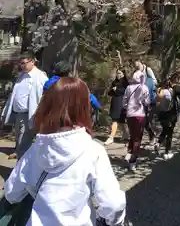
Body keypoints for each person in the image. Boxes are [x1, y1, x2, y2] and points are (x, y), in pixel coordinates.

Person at [4, 77, 126, 225]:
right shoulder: (94, 151)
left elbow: (12, 193)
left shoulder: (37, 148)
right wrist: (112, 221)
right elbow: (113, 204)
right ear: (85, 108)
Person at [1, 52, 48, 160]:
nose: (21, 66)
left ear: (32, 61)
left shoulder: (40, 76)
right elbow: (14, 94)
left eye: (24, 63)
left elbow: (46, 95)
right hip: (18, 114)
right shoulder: (22, 75)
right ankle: (19, 154)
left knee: (24, 141)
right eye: (20, 64)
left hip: (29, 115)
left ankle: (21, 169)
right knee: (19, 139)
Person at [123, 70, 150, 171]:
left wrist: (128, 107)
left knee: (132, 135)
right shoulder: (144, 88)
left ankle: (129, 154)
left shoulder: (128, 87)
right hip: (140, 114)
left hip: (129, 114)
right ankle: (133, 161)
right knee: (137, 138)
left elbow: (124, 102)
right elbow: (147, 102)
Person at [154, 73, 180, 160]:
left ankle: (158, 143)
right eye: (179, 78)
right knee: (169, 133)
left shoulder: (160, 90)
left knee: (165, 129)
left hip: (161, 113)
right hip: (171, 113)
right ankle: (167, 152)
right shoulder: (176, 88)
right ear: (176, 79)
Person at [135, 61, 157, 145]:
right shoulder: (136, 77)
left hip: (150, 102)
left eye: (138, 65)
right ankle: (136, 140)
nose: (137, 67)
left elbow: (154, 86)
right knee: (141, 121)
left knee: (148, 121)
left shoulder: (149, 75)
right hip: (140, 103)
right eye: (136, 66)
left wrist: (152, 101)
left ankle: (152, 135)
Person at [105, 70, 129, 146]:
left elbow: (125, 92)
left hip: (121, 102)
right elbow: (109, 92)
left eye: (120, 73)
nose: (118, 75)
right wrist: (113, 90)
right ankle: (126, 135)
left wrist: (117, 90)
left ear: (123, 74)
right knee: (120, 121)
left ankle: (111, 137)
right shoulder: (114, 82)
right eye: (117, 73)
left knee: (115, 120)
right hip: (114, 102)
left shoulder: (125, 83)